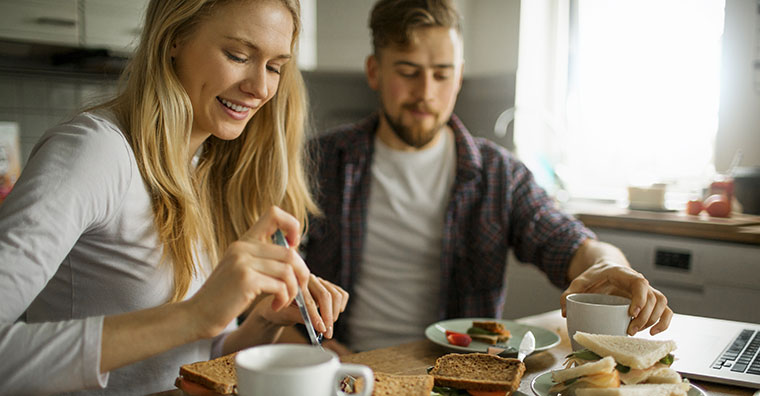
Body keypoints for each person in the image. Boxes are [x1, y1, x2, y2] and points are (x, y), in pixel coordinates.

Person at [0, 0, 348, 394]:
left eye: (274, 67)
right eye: (238, 55)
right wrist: (194, 316)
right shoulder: (94, 152)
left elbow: (189, 362)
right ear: (174, 39)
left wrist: (266, 320)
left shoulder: (201, 165)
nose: (261, 87)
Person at [302, 0, 672, 354]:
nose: (426, 92)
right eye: (408, 72)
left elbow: (571, 244)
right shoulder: (319, 163)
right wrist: (300, 339)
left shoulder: (499, 173)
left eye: (442, 74)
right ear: (374, 71)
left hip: (460, 371)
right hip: (351, 364)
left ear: (459, 75)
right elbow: (276, 270)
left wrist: (610, 266)